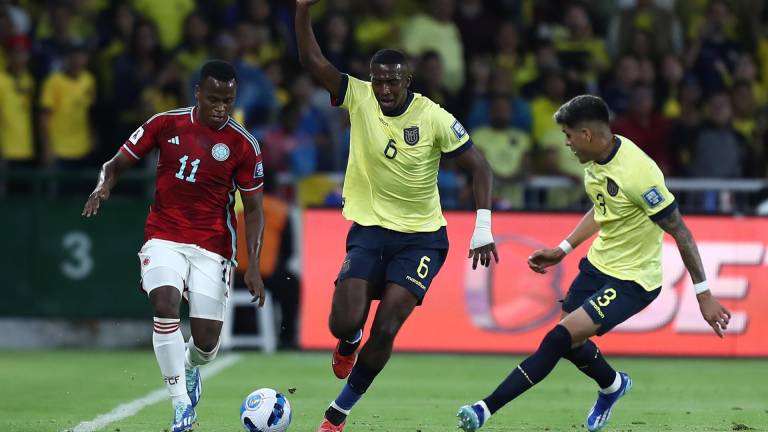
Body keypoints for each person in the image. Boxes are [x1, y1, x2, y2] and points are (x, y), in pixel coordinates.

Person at [457, 95, 731, 432]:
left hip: (633, 280)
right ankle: (614, 385)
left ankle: (485, 408)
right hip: (598, 265)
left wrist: (704, 294)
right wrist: (563, 248)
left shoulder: (639, 173)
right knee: (571, 344)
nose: (567, 142)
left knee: (557, 338)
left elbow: (682, 233)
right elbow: (604, 208)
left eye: (569, 135)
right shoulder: (596, 160)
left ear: (587, 134)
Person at [295, 1, 499, 431]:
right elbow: (313, 60)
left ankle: (339, 412)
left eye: (392, 82)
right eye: (379, 81)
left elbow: (480, 167)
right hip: (369, 229)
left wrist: (483, 228)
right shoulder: (359, 96)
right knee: (343, 321)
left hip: (422, 238)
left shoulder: (433, 117)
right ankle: (348, 341)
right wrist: (301, 11)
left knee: (386, 326)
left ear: (407, 81)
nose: (384, 89)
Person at [82, 60, 266, 432]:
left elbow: (256, 208)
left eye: (227, 101)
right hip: (163, 236)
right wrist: (104, 185)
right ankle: (181, 405)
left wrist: (255, 265)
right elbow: (115, 163)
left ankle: (192, 366)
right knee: (164, 303)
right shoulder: (165, 124)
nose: (220, 107)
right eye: (213, 98)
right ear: (197, 92)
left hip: (213, 246)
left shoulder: (244, 145)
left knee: (206, 344)